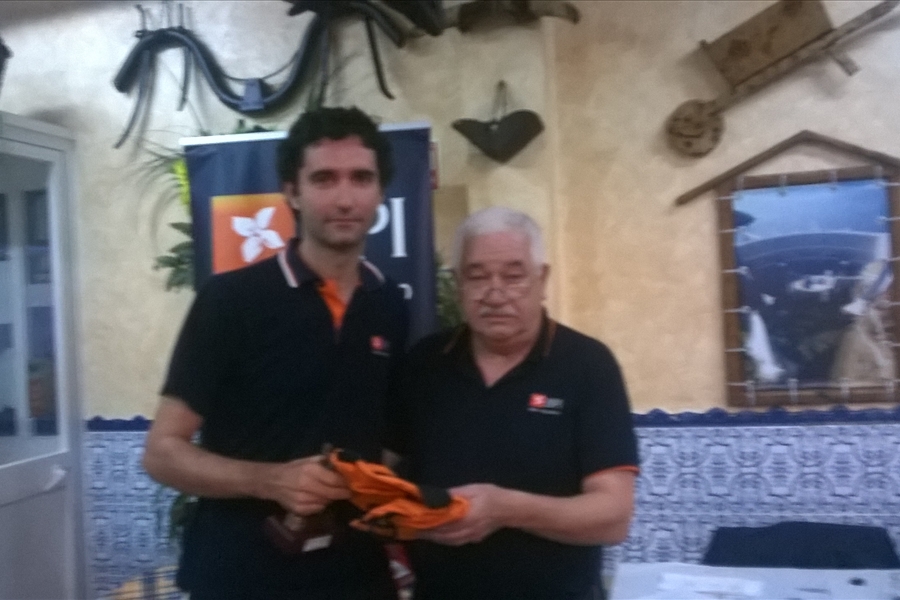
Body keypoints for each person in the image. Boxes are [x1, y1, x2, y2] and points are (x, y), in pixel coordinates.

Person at [143, 106, 409, 600]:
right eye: (324, 179)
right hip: (241, 576)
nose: (345, 198)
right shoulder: (231, 300)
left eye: (361, 178)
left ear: (380, 192)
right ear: (292, 191)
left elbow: (389, 438)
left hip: (355, 575)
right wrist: (271, 481)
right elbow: (162, 454)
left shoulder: (389, 304)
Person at [389, 206, 639, 600]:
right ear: (458, 284)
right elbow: (385, 475)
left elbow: (613, 517)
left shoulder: (588, 365)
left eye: (513, 276)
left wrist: (505, 509)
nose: (495, 294)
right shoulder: (425, 363)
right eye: (477, 276)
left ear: (542, 280)